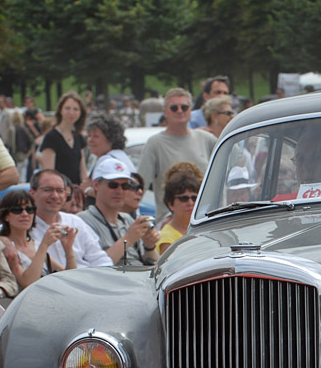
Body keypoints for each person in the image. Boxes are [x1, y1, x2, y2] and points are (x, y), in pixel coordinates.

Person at [138, 87, 218, 216]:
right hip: (170, 225)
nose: (180, 111)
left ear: (190, 110)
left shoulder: (206, 138)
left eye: (184, 107)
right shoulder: (155, 143)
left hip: (204, 221)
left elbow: (234, 164)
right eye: (174, 108)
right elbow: (140, 187)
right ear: (165, 112)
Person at [77, 157, 159, 266]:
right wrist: (128, 239)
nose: (119, 191)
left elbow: (157, 266)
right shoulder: (82, 221)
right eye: (113, 185)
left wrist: (149, 246)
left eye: (125, 186)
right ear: (96, 185)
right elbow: (95, 268)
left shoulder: (128, 220)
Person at [28, 169, 111, 268]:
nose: (55, 196)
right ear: (32, 193)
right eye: (48, 190)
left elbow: (100, 260)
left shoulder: (75, 222)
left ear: (65, 196)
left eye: (59, 191)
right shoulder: (21, 226)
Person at [0, 189, 76, 289]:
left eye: (30, 210)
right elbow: (27, 283)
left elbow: (69, 278)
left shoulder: (35, 244)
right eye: (17, 210)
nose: (25, 214)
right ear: (6, 216)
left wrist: (68, 248)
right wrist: (44, 246)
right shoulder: (6, 248)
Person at [39, 91, 88, 186]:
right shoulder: (51, 137)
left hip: (76, 192)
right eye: (67, 108)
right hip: (59, 192)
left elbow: (82, 170)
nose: (71, 112)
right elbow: (49, 174)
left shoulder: (78, 137)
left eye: (76, 109)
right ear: (60, 110)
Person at [156, 163, 202, 254]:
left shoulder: (202, 228)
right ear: (170, 204)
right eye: (183, 199)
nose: (190, 203)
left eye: (194, 198)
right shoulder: (167, 239)